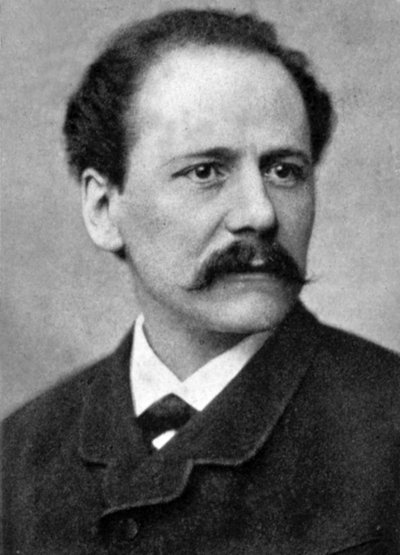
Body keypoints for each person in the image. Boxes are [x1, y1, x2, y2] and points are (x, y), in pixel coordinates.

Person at [2, 8, 399, 555]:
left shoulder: (388, 429)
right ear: (104, 210)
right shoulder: (17, 460)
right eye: (205, 171)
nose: (260, 213)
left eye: (284, 171)